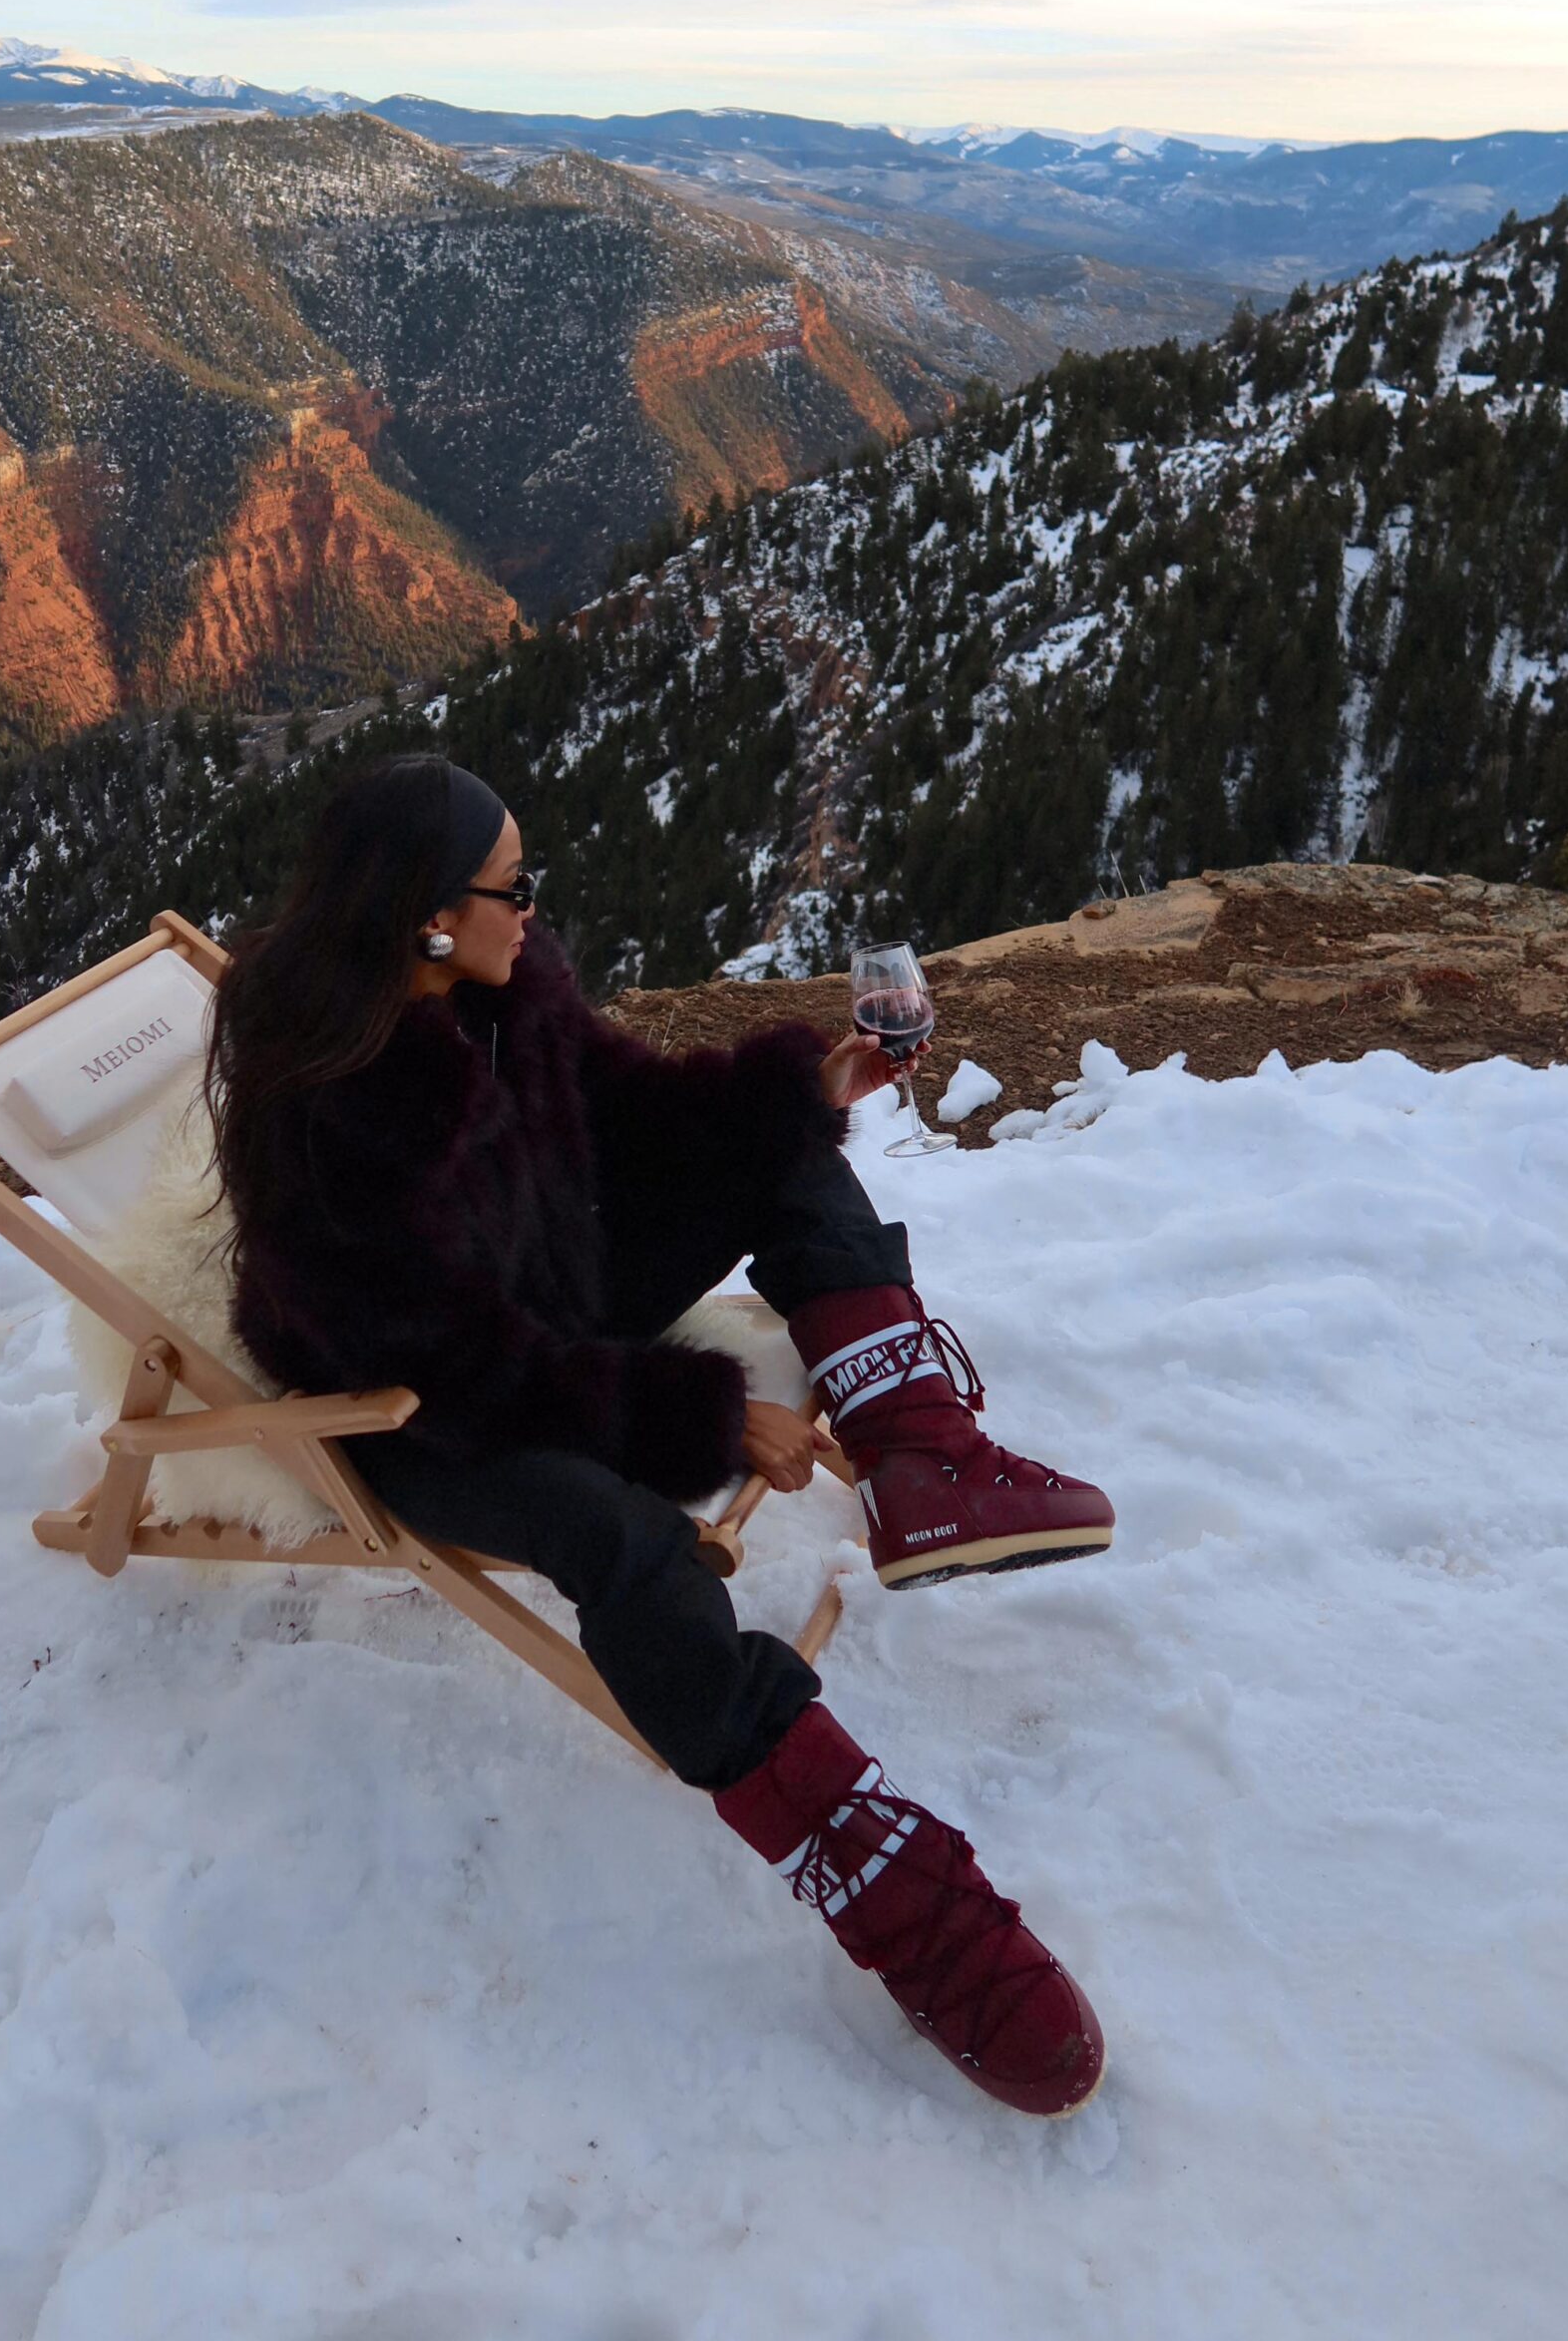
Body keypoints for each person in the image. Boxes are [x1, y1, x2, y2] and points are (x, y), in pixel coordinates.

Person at [206, 755, 1116, 2117]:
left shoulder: (509, 987)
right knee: (624, 1540)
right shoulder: (333, 1113)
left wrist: (799, 1092)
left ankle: (924, 1460)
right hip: (414, 1403)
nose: (535, 908)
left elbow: (624, 1114)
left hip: (545, 1299)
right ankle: (868, 1865)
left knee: (788, 1150)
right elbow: (460, 1365)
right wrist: (705, 1413)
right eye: (513, 887)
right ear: (427, 920)